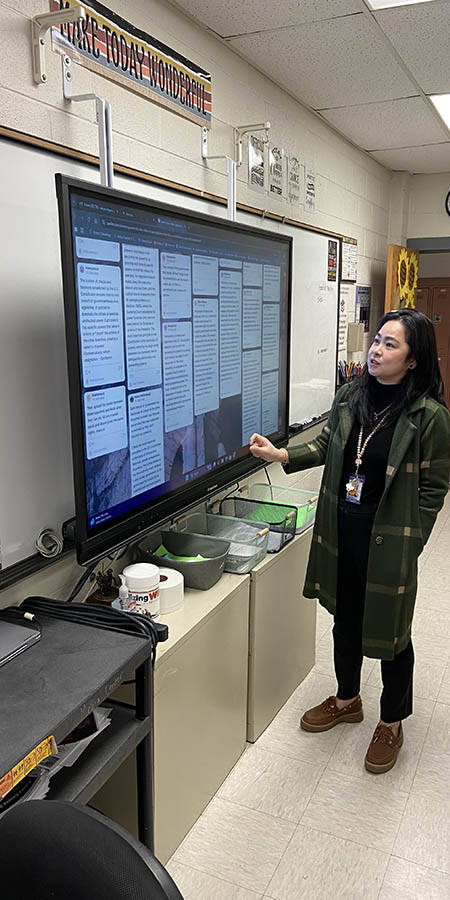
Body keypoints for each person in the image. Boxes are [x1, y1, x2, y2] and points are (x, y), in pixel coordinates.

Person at [250, 309, 449, 774]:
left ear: (413, 359)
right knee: (345, 618)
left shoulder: (430, 417)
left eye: (390, 344)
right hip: (342, 531)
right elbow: (325, 447)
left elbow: (434, 488)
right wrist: (281, 454)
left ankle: (392, 722)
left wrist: (412, 539)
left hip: (391, 539)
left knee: (392, 632)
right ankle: (347, 699)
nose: (376, 350)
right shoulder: (350, 397)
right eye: (377, 340)